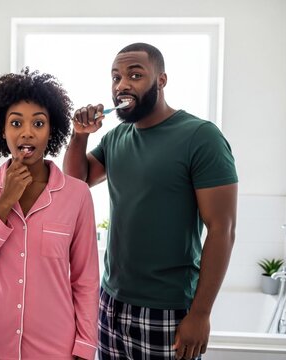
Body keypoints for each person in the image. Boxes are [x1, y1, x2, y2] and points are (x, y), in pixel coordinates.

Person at [63, 43, 238, 360]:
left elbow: (222, 229)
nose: (122, 85)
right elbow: (76, 182)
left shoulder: (201, 136)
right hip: (110, 302)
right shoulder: (116, 137)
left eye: (135, 75)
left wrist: (200, 314)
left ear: (161, 80)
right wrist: (79, 135)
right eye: (116, 77)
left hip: (168, 310)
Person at [0, 68, 99, 360]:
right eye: (16, 122)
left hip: (55, 351)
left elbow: (85, 280)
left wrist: (85, 349)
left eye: (38, 123)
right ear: (2, 131)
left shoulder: (77, 194)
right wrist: (4, 203)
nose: (27, 132)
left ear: (52, 130)